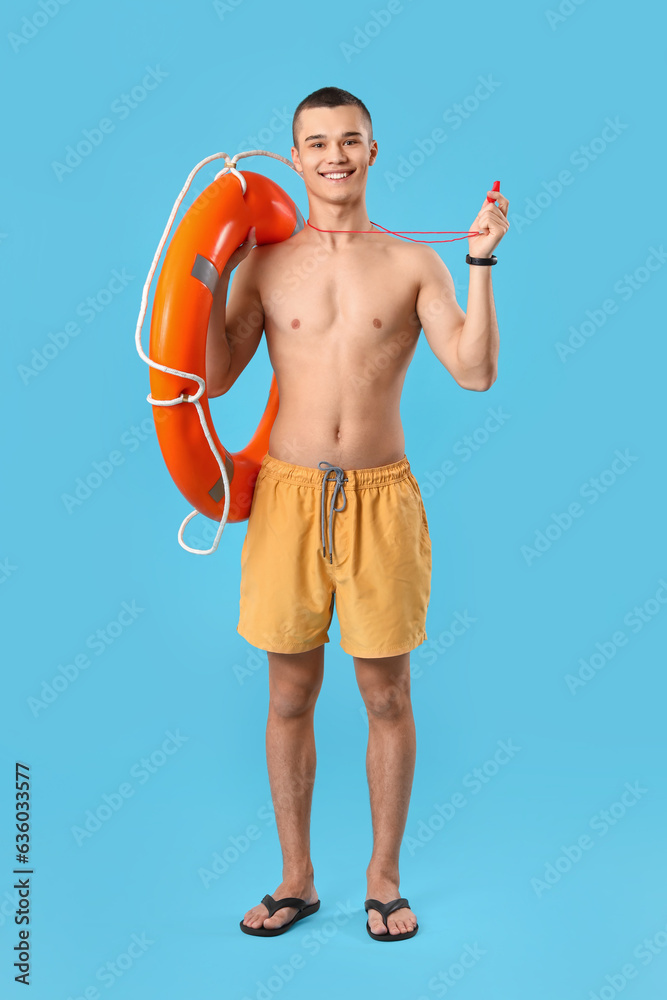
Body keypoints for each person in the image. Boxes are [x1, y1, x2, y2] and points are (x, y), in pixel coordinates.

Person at [206, 86, 509, 940]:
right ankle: (295, 879)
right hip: (288, 496)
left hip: (381, 496)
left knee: (385, 694)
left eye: (349, 140)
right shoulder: (264, 266)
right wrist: (201, 275)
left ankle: (383, 878)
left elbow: (475, 370)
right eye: (316, 143)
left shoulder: (415, 262)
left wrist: (481, 260)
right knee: (289, 693)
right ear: (294, 159)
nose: (333, 155)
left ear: (373, 152)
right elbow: (218, 376)